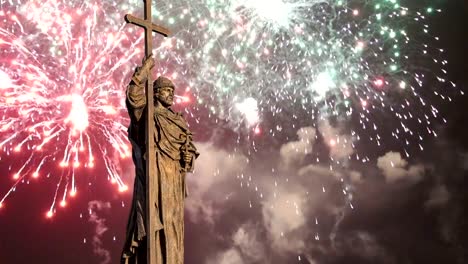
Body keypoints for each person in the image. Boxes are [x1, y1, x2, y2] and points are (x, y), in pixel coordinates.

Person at [121, 55, 199, 264]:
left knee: (173, 226)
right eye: (166, 90)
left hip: (173, 179)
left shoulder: (178, 121)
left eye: (173, 91)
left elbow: (188, 152)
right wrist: (143, 72)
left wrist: (187, 158)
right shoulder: (148, 115)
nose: (171, 94)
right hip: (154, 176)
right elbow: (134, 100)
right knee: (154, 221)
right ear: (155, 93)